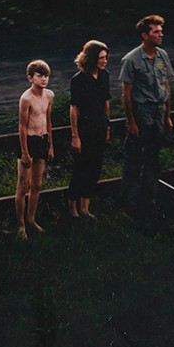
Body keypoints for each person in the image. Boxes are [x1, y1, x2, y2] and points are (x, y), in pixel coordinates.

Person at [119, 14, 174, 210]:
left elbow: (165, 85)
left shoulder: (162, 56)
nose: (161, 34)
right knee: (134, 158)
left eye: (161, 30)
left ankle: (149, 200)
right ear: (145, 35)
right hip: (142, 112)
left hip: (159, 111)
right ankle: (130, 202)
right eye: (156, 31)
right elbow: (126, 94)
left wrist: (168, 115)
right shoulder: (131, 60)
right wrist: (131, 121)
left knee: (153, 157)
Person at [64, 40, 109, 220]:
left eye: (106, 57)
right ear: (91, 59)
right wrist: (75, 136)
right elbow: (74, 108)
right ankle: (72, 206)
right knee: (81, 168)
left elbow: (106, 102)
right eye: (101, 58)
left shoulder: (105, 75)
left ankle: (85, 208)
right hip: (84, 130)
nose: (105, 61)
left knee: (95, 168)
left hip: (100, 127)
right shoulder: (78, 80)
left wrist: (107, 126)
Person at [16, 60, 53, 235]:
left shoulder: (49, 95)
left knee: (37, 185)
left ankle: (31, 219)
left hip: (42, 140)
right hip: (28, 142)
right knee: (23, 185)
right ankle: (20, 225)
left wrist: (50, 145)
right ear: (31, 78)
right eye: (40, 76)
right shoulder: (26, 98)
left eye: (46, 75)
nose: (44, 79)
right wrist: (24, 151)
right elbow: (22, 126)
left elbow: (48, 120)